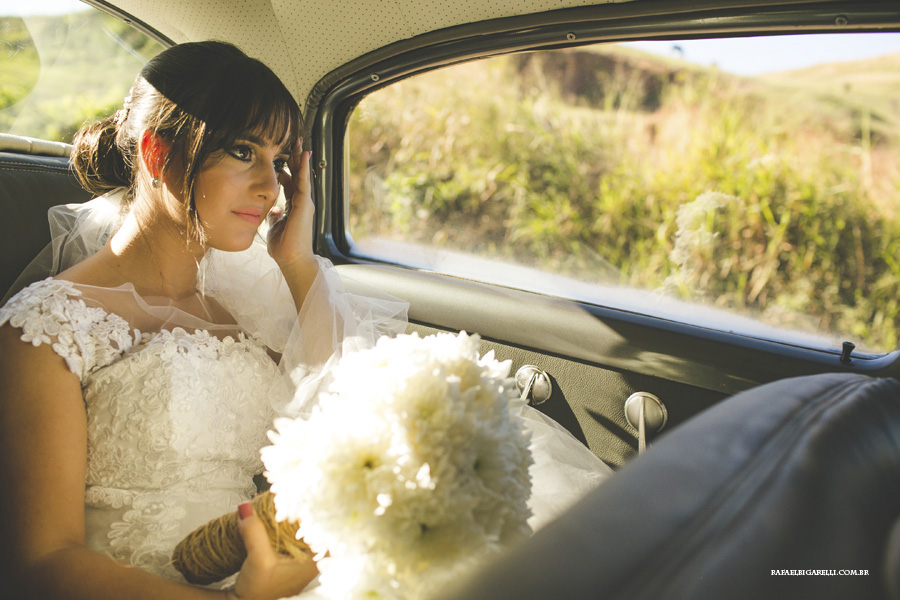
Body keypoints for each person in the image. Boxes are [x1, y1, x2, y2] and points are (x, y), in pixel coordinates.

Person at [0, 40, 610, 600]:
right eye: (244, 153)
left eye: (279, 162)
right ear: (159, 153)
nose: (270, 187)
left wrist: (296, 260)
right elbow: (43, 564)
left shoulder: (237, 307)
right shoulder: (48, 327)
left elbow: (343, 397)